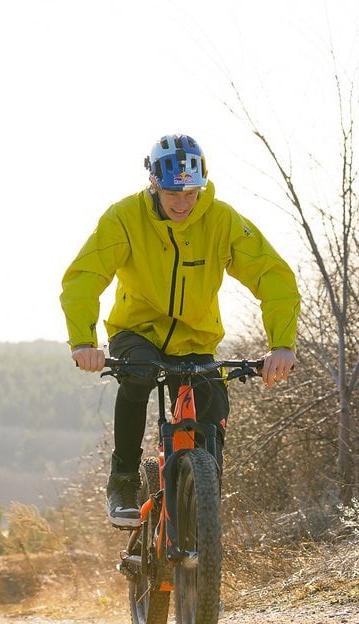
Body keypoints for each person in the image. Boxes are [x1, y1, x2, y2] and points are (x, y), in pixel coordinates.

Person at [60, 134, 300, 528]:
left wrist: (282, 345)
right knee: (138, 374)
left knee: (212, 404)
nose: (183, 202)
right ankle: (122, 478)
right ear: (154, 182)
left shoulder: (221, 220)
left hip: (196, 341)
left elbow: (273, 277)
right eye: (173, 191)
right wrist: (84, 342)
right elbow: (85, 277)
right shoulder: (124, 217)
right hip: (137, 332)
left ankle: (200, 506)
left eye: (192, 191)